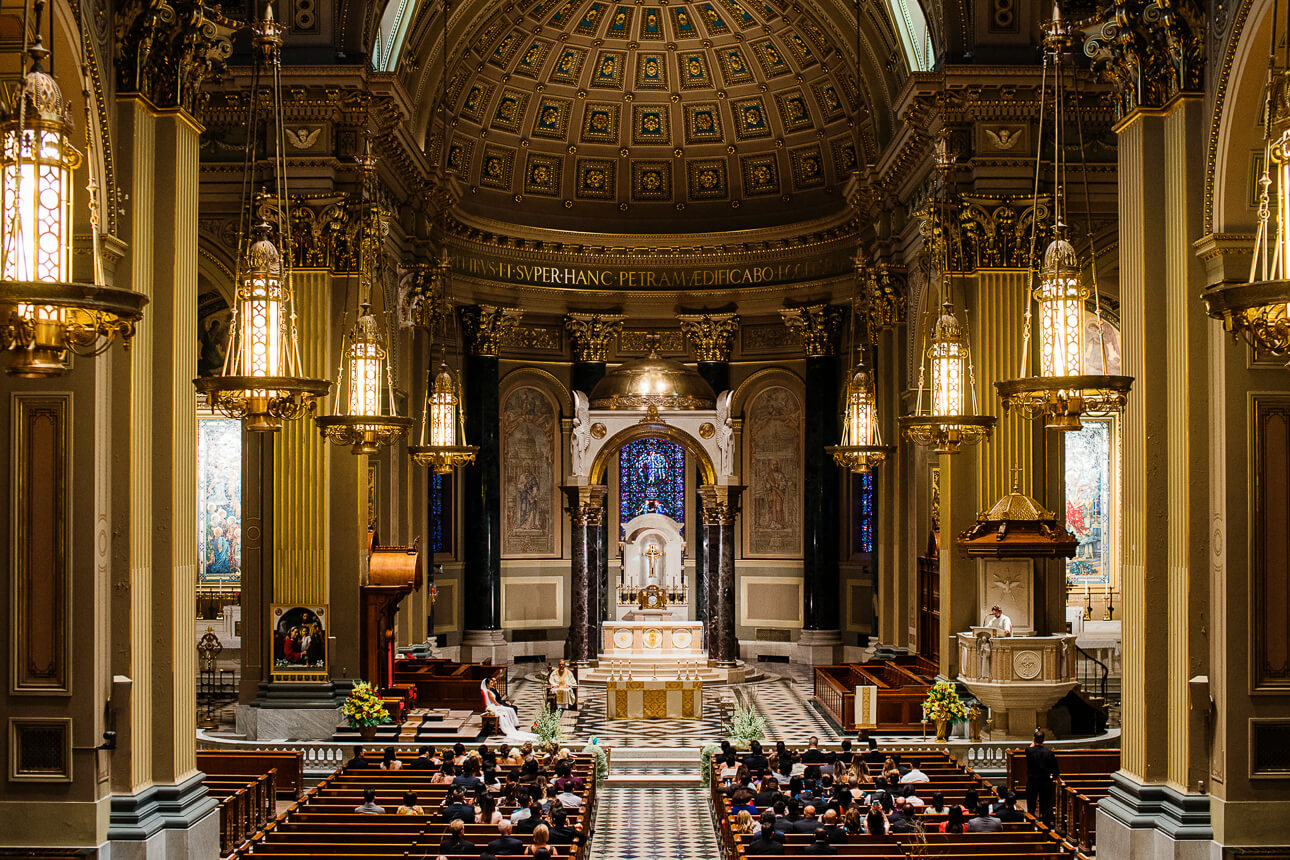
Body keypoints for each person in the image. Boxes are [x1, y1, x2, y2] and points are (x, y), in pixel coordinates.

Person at [482, 676, 538, 741]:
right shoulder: (489, 692)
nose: (492, 684)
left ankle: (513, 724)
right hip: (494, 706)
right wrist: (501, 706)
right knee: (508, 710)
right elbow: (494, 702)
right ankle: (509, 726)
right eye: (491, 683)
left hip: (496, 705)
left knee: (510, 709)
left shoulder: (491, 690)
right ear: (487, 684)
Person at [1025, 729, 1060, 825]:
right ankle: (1046, 827)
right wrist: (1051, 778)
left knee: (1031, 805)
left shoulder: (1029, 751)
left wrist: (1033, 741)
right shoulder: (1049, 753)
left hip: (1032, 781)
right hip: (1045, 782)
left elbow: (1030, 747)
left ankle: (1030, 825)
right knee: (1045, 806)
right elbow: (1056, 771)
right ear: (1044, 739)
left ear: (1033, 739)